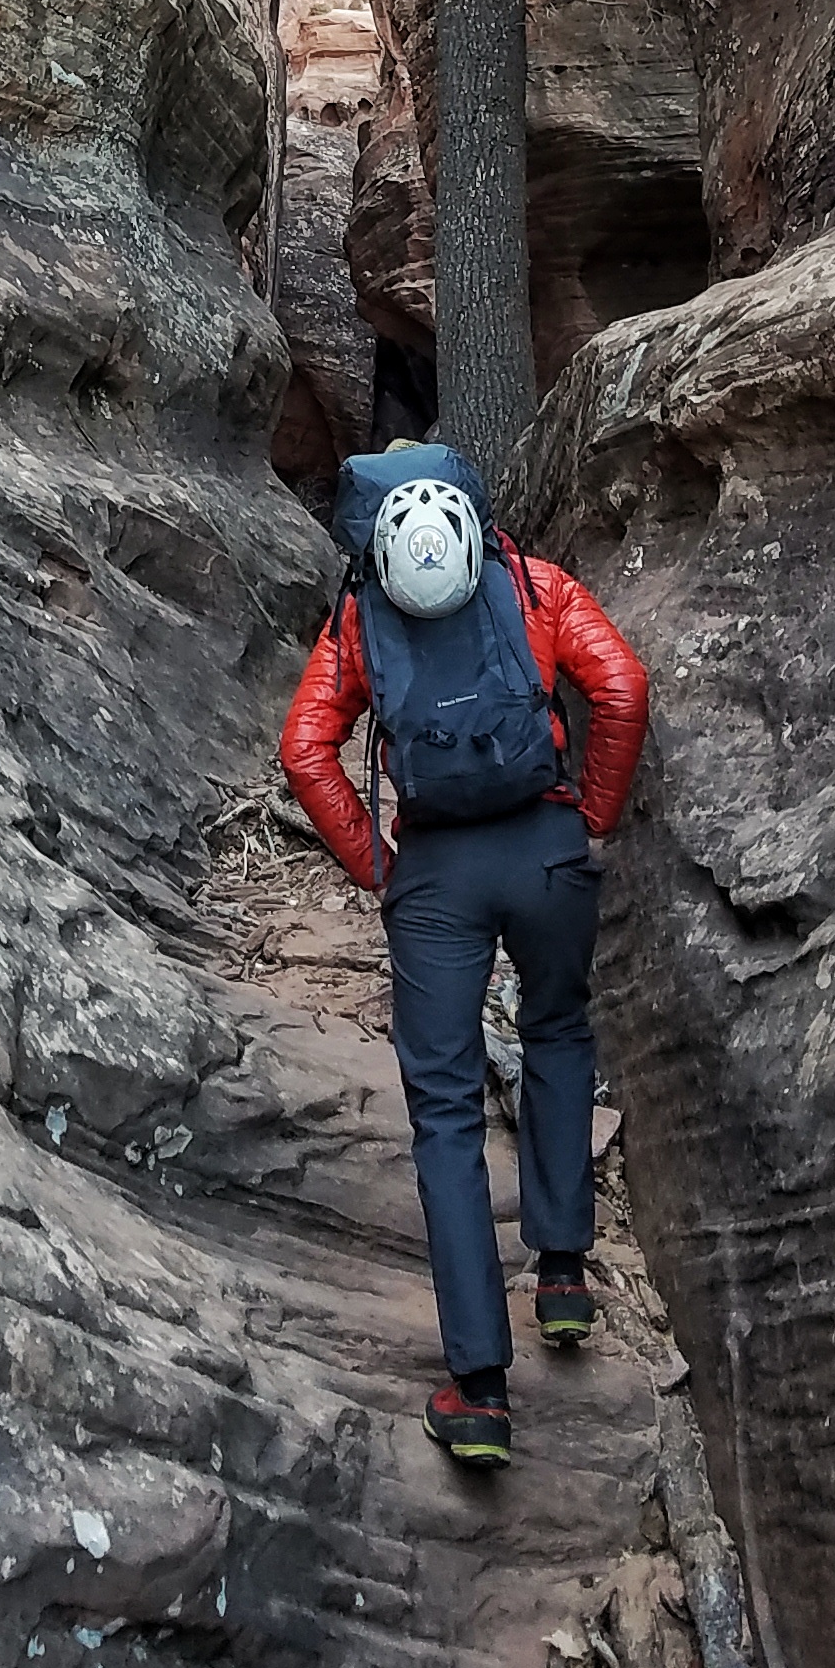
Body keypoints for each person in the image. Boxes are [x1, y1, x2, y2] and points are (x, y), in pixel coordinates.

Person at [279, 441, 649, 1468]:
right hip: (546, 849)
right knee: (557, 1031)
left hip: (436, 875)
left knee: (445, 1114)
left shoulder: (362, 617)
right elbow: (620, 687)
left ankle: (480, 1391)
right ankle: (563, 1274)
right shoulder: (531, 584)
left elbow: (306, 748)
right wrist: (593, 816)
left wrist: (378, 866)